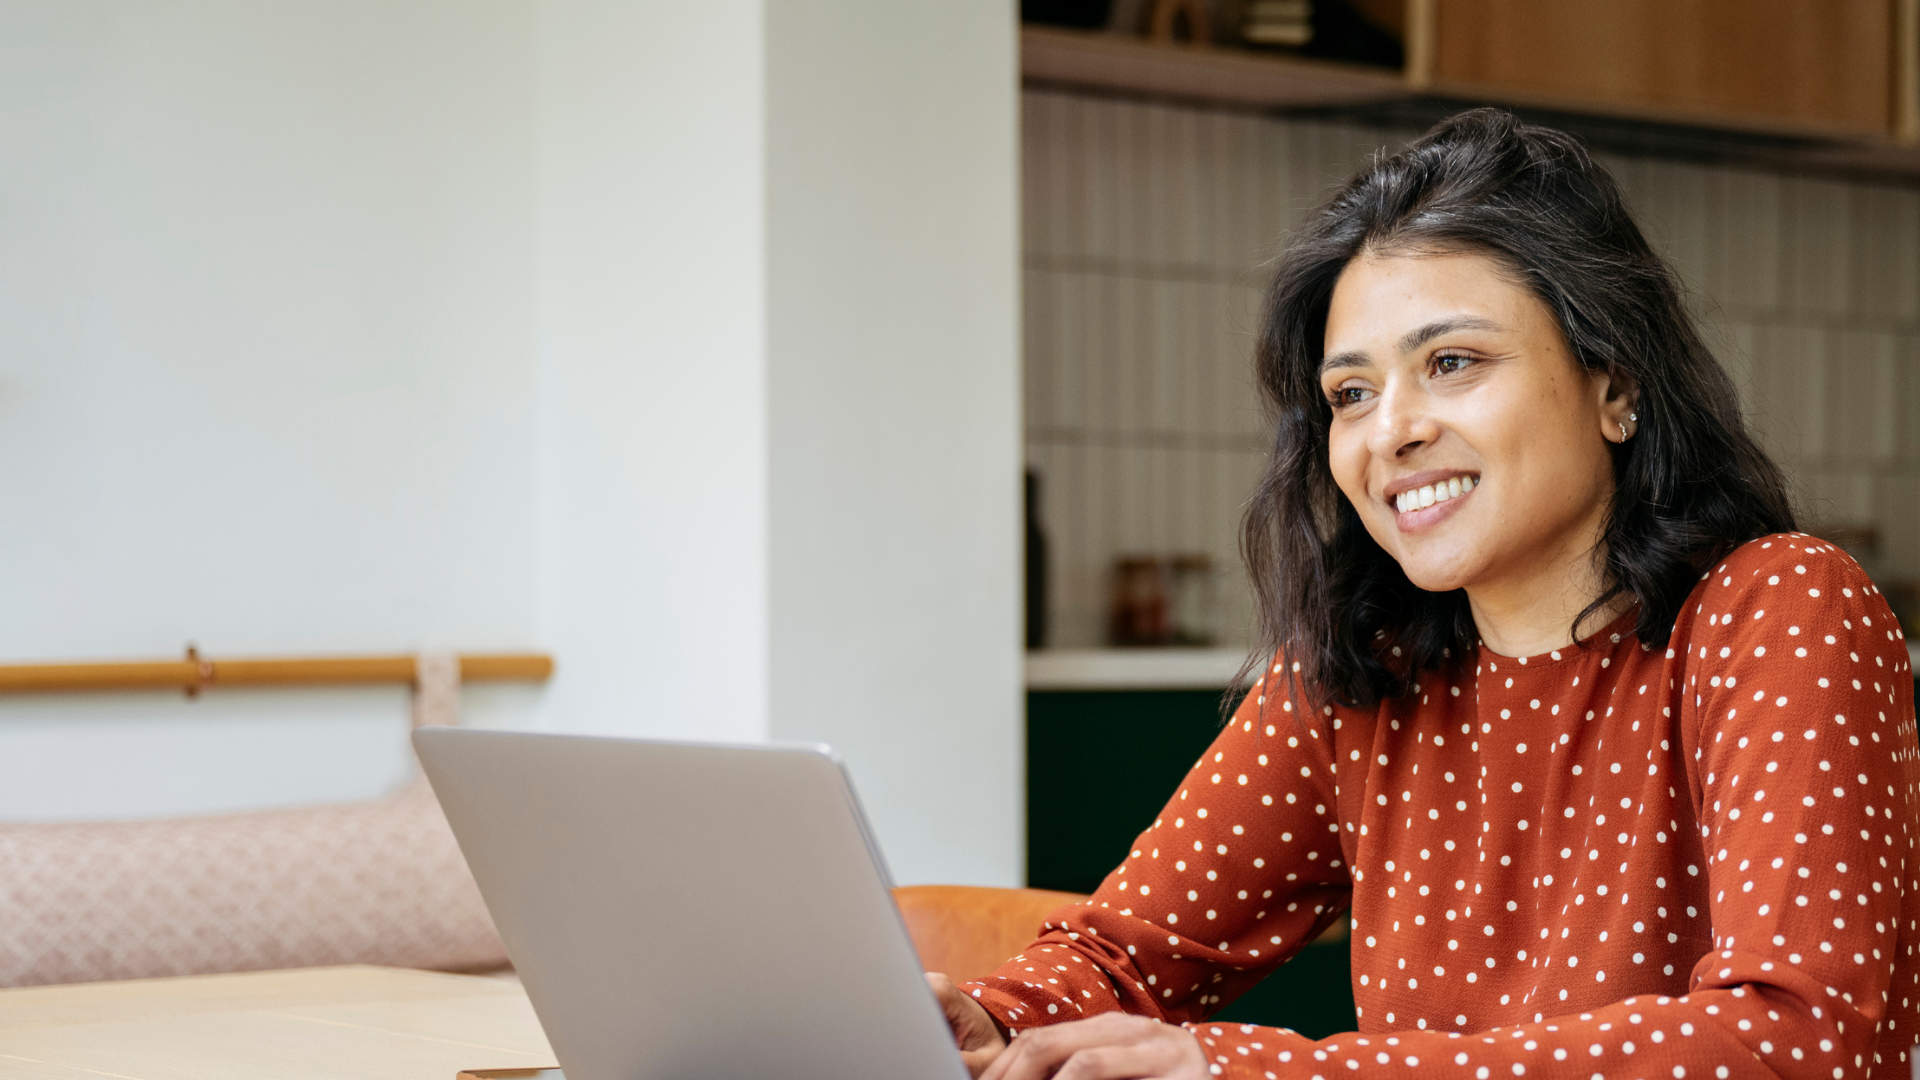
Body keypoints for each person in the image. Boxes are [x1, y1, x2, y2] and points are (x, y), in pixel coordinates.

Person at [928, 108, 1920, 1080]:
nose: (1388, 432)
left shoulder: (1779, 607)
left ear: (1615, 386)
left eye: (1452, 363)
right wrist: (982, 1017)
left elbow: (1805, 1041)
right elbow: (1127, 956)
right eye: (1350, 393)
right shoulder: (1360, 672)